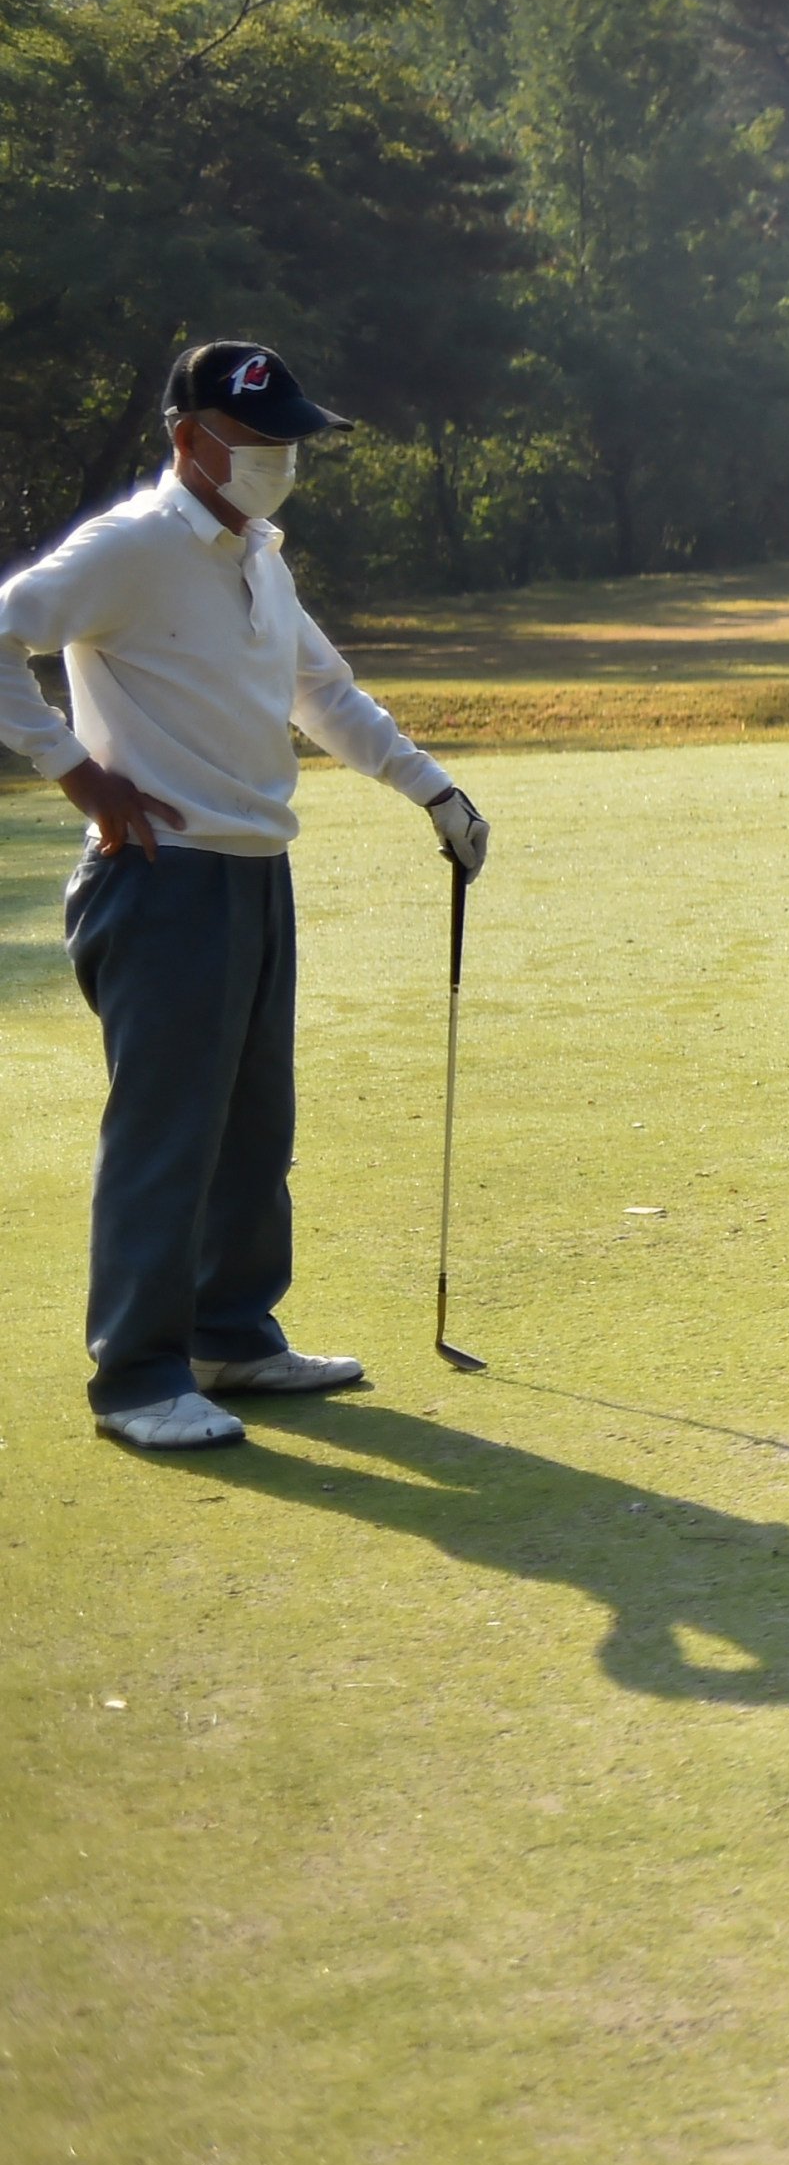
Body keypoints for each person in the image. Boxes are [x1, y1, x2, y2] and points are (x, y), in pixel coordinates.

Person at [0, 342, 492, 1450]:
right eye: (264, 443)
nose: (283, 462)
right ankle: (135, 1376)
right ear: (191, 439)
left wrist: (433, 789)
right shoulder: (127, 548)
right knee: (167, 1134)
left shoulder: (258, 553)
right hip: (159, 880)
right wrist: (72, 766)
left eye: (290, 443)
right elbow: (3, 630)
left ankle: (229, 1334)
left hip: (255, 869)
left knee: (253, 1128)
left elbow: (323, 689)